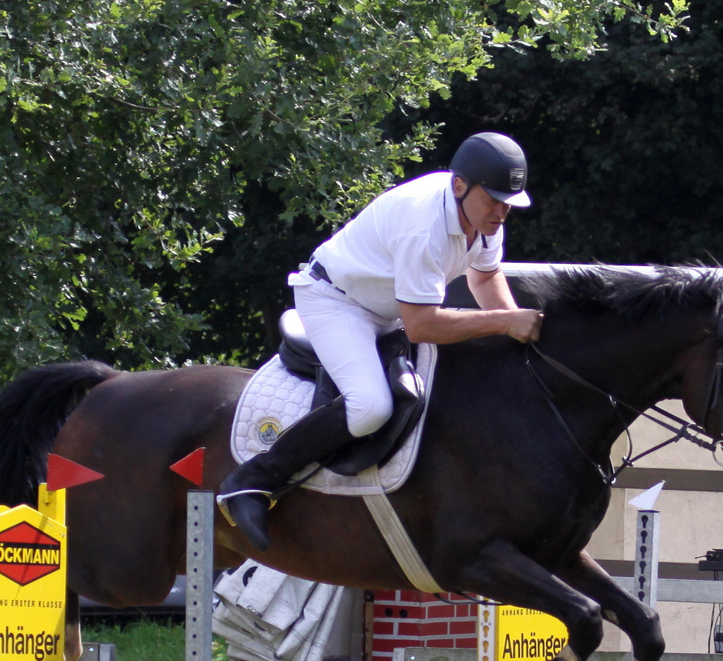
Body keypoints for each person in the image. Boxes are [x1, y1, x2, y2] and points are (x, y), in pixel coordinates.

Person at [218, 132, 546, 550]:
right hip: (336, 302)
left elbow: (484, 276)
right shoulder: (423, 225)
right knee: (371, 406)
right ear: (460, 185)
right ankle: (252, 480)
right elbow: (422, 327)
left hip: (387, 307)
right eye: (494, 200)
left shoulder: (483, 219)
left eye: (508, 203)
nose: (501, 212)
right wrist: (504, 323)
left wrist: (512, 334)